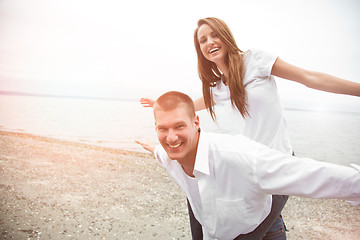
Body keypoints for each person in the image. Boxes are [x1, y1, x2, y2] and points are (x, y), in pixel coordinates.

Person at [140, 17, 360, 239]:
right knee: (212, 214)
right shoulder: (216, 87)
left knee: (246, 232)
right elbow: (191, 107)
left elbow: (309, 78)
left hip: (277, 160)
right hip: (245, 164)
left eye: (215, 35)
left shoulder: (256, 60)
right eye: (203, 40)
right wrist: (162, 103)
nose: (210, 42)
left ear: (226, 36)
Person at [136, 91, 360, 240]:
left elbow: (310, 174)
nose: (171, 138)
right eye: (162, 129)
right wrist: (149, 145)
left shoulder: (241, 156)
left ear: (196, 122)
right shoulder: (168, 156)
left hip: (263, 231)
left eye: (179, 126)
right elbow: (158, 150)